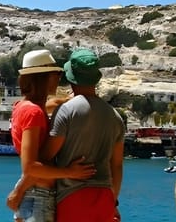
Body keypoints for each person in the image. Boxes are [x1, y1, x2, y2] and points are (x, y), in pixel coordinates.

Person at [7, 49, 96, 222]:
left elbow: (50, 104)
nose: (59, 77)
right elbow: (30, 167)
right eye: (56, 73)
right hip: (39, 198)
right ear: (45, 78)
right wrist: (70, 172)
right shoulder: (34, 113)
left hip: (32, 195)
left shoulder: (23, 106)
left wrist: (69, 100)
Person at [44, 48, 125, 222]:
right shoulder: (115, 116)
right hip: (104, 197)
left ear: (71, 78)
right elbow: (116, 166)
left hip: (72, 196)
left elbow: (46, 156)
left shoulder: (66, 111)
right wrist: (113, 201)